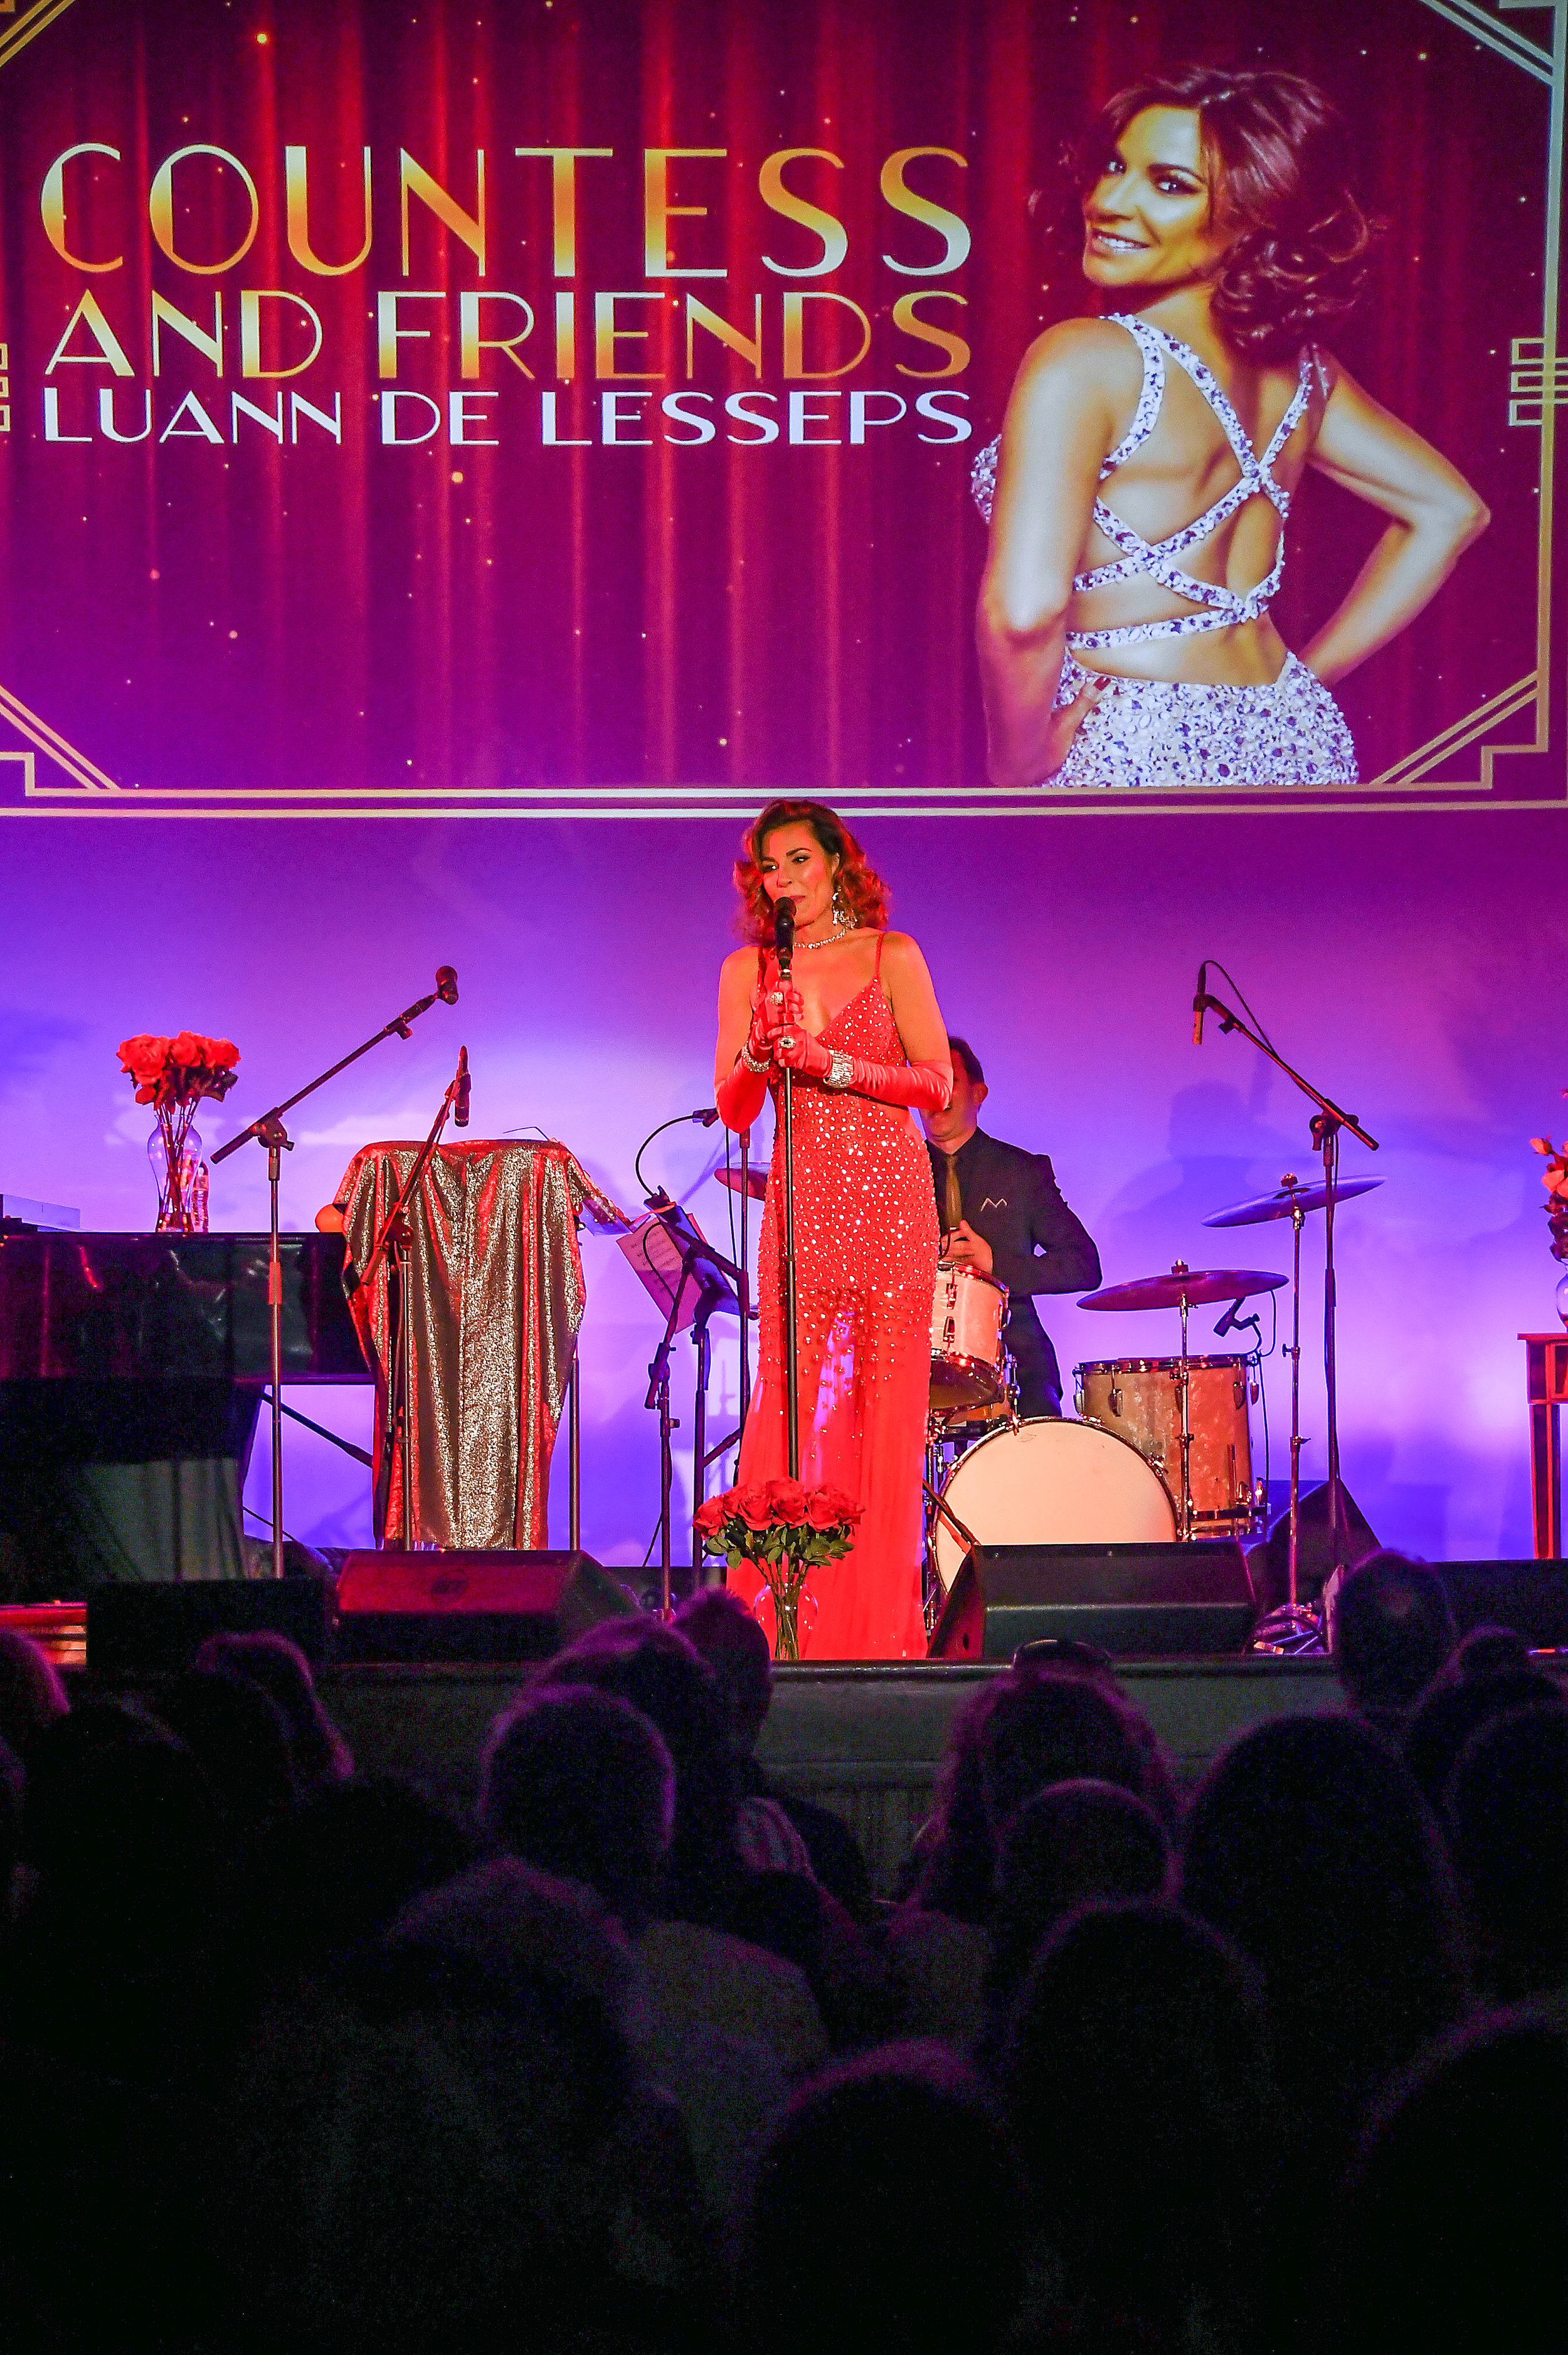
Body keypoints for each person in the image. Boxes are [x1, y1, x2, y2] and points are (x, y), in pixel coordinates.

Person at [974, 65, 1488, 789]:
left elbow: (1024, 613)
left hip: (1129, 745)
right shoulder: (1307, 374)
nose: (1109, 201)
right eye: (1115, 166)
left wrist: (1014, 767)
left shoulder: (1084, 357)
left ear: (1258, 214)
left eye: (1170, 184)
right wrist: (1304, 683)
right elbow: (1448, 510)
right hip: (1291, 734)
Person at [714, 798, 953, 1661]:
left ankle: (879, 1630)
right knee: (788, 1408)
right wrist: (759, 1050)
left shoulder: (893, 952)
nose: (786, 881)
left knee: (885, 1414)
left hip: (890, 1198)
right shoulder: (749, 971)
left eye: (800, 861)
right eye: (769, 868)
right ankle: (776, 1629)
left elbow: (938, 1085)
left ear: (837, 861)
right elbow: (733, 1109)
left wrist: (831, 1063)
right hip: (803, 1202)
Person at [921, 1036, 1099, 1417]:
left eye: (948, 1080)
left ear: (978, 1093)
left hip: (1014, 1356)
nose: (935, 1094)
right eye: (927, 1081)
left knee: (1039, 1437)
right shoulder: (894, 1175)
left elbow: (1085, 1265)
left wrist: (995, 1264)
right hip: (914, 1355)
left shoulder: (1021, 1171)